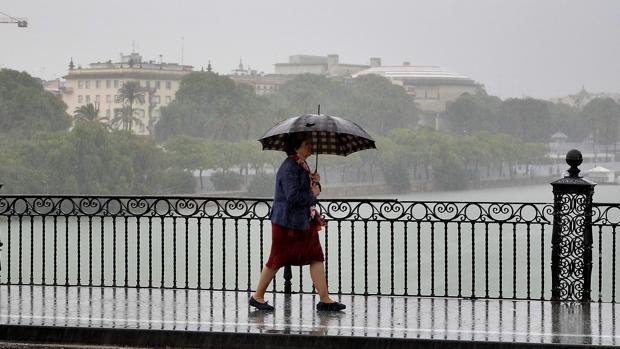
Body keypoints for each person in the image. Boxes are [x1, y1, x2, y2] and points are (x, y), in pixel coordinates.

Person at [249, 132, 346, 312]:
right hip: (287, 224)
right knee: (277, 259)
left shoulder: (300, 165)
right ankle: (257, 296)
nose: (311, 147)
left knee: (316, 256)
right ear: (297, 146)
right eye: (308, 143)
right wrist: (313, 194)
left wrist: (315, 183)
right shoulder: (290, 167)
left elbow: (307, 192)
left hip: (301, 222)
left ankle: (325, 299)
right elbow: (293, 196)